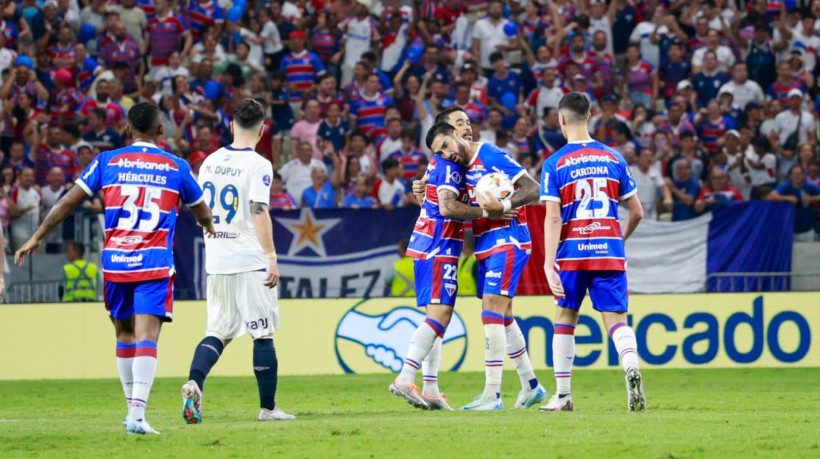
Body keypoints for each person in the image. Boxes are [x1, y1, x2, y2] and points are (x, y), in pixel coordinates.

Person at [14, 102, 214, 435]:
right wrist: (209, 226)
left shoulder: (107, 161)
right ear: (161, 131)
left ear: (127, 129)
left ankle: (130, 412)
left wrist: (37, 236)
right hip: (152, 263)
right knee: (147, 335)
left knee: (123, 333)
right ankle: (137, 415)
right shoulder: (176, 167)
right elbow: (202, 211)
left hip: (116, 263)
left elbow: (67, 201)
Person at [181, 99, 294, 424]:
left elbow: (199, 208)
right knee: (263, 333)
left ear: (231, 126)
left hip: (216, 259)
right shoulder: (259, 165)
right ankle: (268, 409)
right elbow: (258, 210)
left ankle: (194, 383)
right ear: (262, 129)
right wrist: (271, 257)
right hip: (248, 259)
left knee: (219, 331)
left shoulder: (210, 162)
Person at [426, 119, 546, 411]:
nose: (445, 154)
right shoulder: (458, 169)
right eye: (438, 153)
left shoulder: (489, 154)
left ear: (455, 135)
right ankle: (531, 387)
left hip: (509, 238)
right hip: (485, 244)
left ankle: (492, 395)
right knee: (503, 317)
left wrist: (504, 207)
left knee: (491, 308)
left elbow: (533, 188)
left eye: (445, 146)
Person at [538, 91, 646, 412]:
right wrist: (619, 240)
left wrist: (547, 263)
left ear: (561, 120)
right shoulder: (614, 157)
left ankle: (563, 395)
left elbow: (554, 216)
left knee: (566, 316)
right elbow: (637, 211)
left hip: (572, 254)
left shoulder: (554, 163)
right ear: (590, 117)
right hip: (608, 250)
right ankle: (630, 366)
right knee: (616, 318)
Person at [766, 165, 820, 242]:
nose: (797, 176)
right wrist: (787, 198)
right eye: (795, 174)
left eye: (799, 173)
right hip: (790, 230)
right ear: (791, 176)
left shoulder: (809, 186)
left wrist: (812, 198)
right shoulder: (785, 186)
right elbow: (769, 197)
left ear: (804, 175)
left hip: (808, 229)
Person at [630, 148, 671, 220]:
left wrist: (667, 197)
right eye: (646, 156)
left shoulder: (655, 171)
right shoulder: (630, 171)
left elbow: (663, 187)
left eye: (650, 156)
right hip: (633, 209)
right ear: (638, 158)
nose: (649, 159)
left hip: (651, 210)